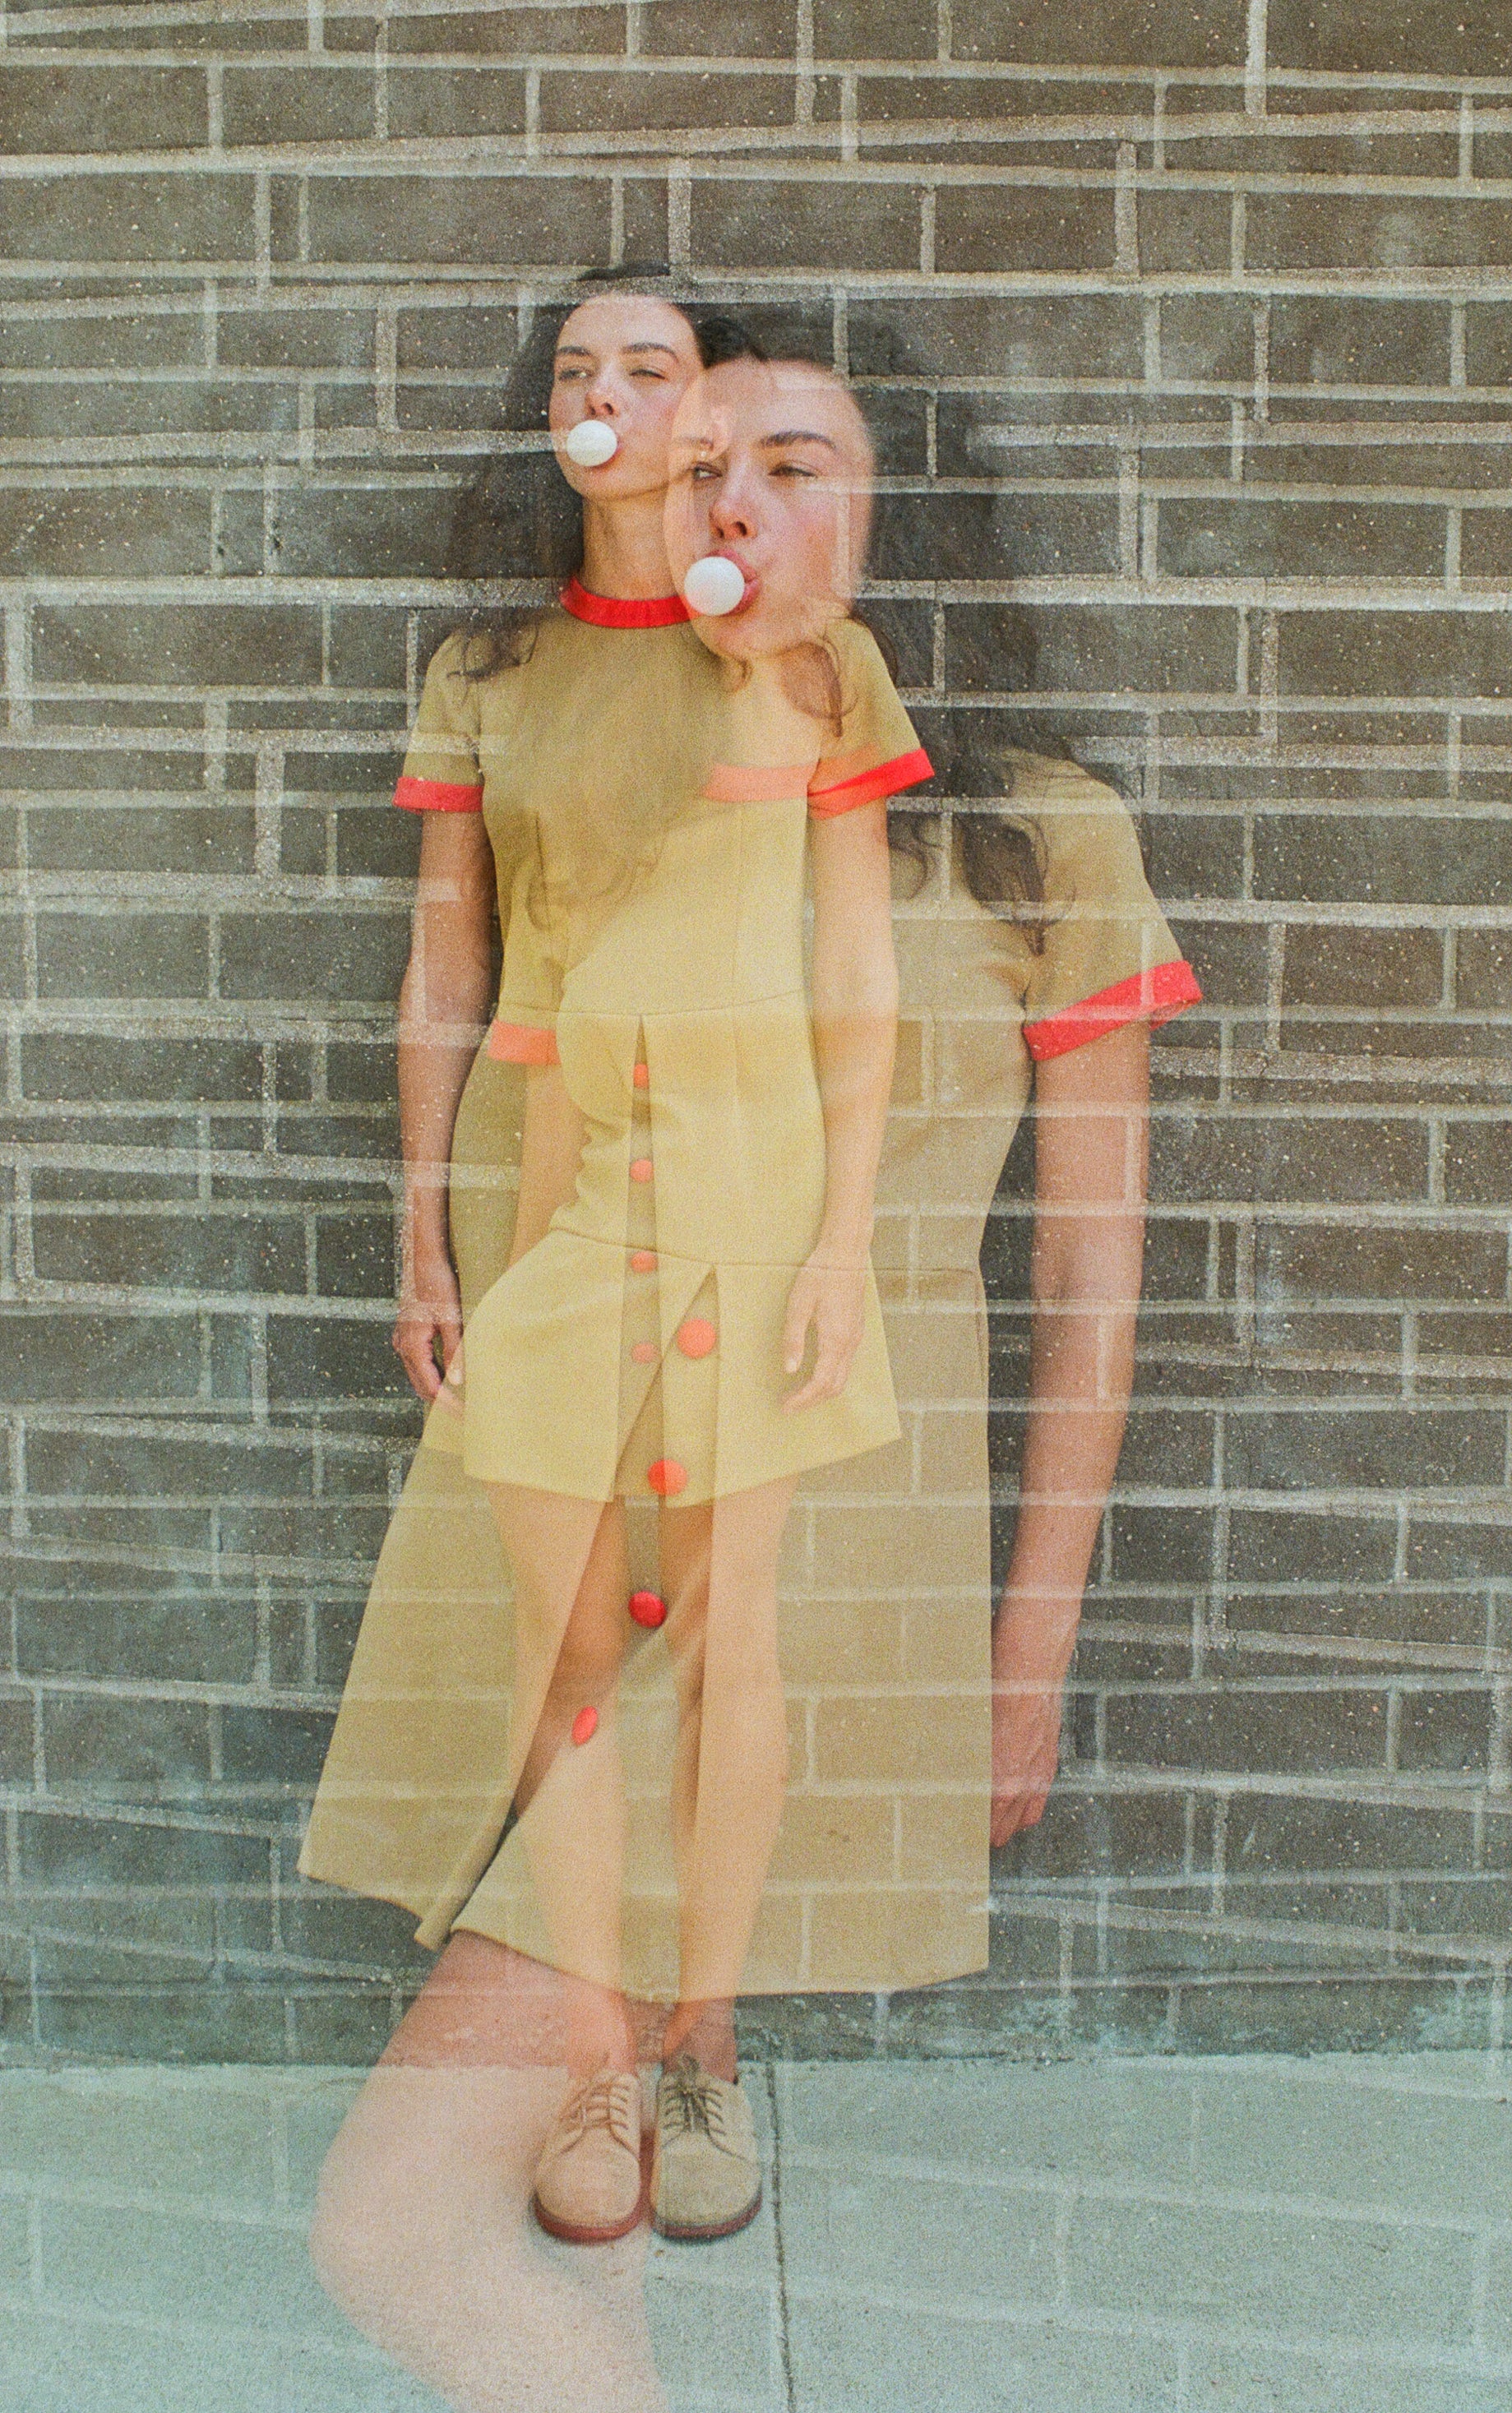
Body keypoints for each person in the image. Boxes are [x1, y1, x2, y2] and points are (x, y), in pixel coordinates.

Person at [303, 282, 930, 2288]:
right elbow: (443, 969)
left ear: (714, 418)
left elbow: (857, 977)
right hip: (555, 1198)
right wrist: (422, 1221)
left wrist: (843, 1238)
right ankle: (583, 2056)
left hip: (754, 1193)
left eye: (649, 369)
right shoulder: (485, 672)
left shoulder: (822, 671)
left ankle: (699, 2043)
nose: (608, 400)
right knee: (570, 1649)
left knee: (734, 1635)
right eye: (577, 373)